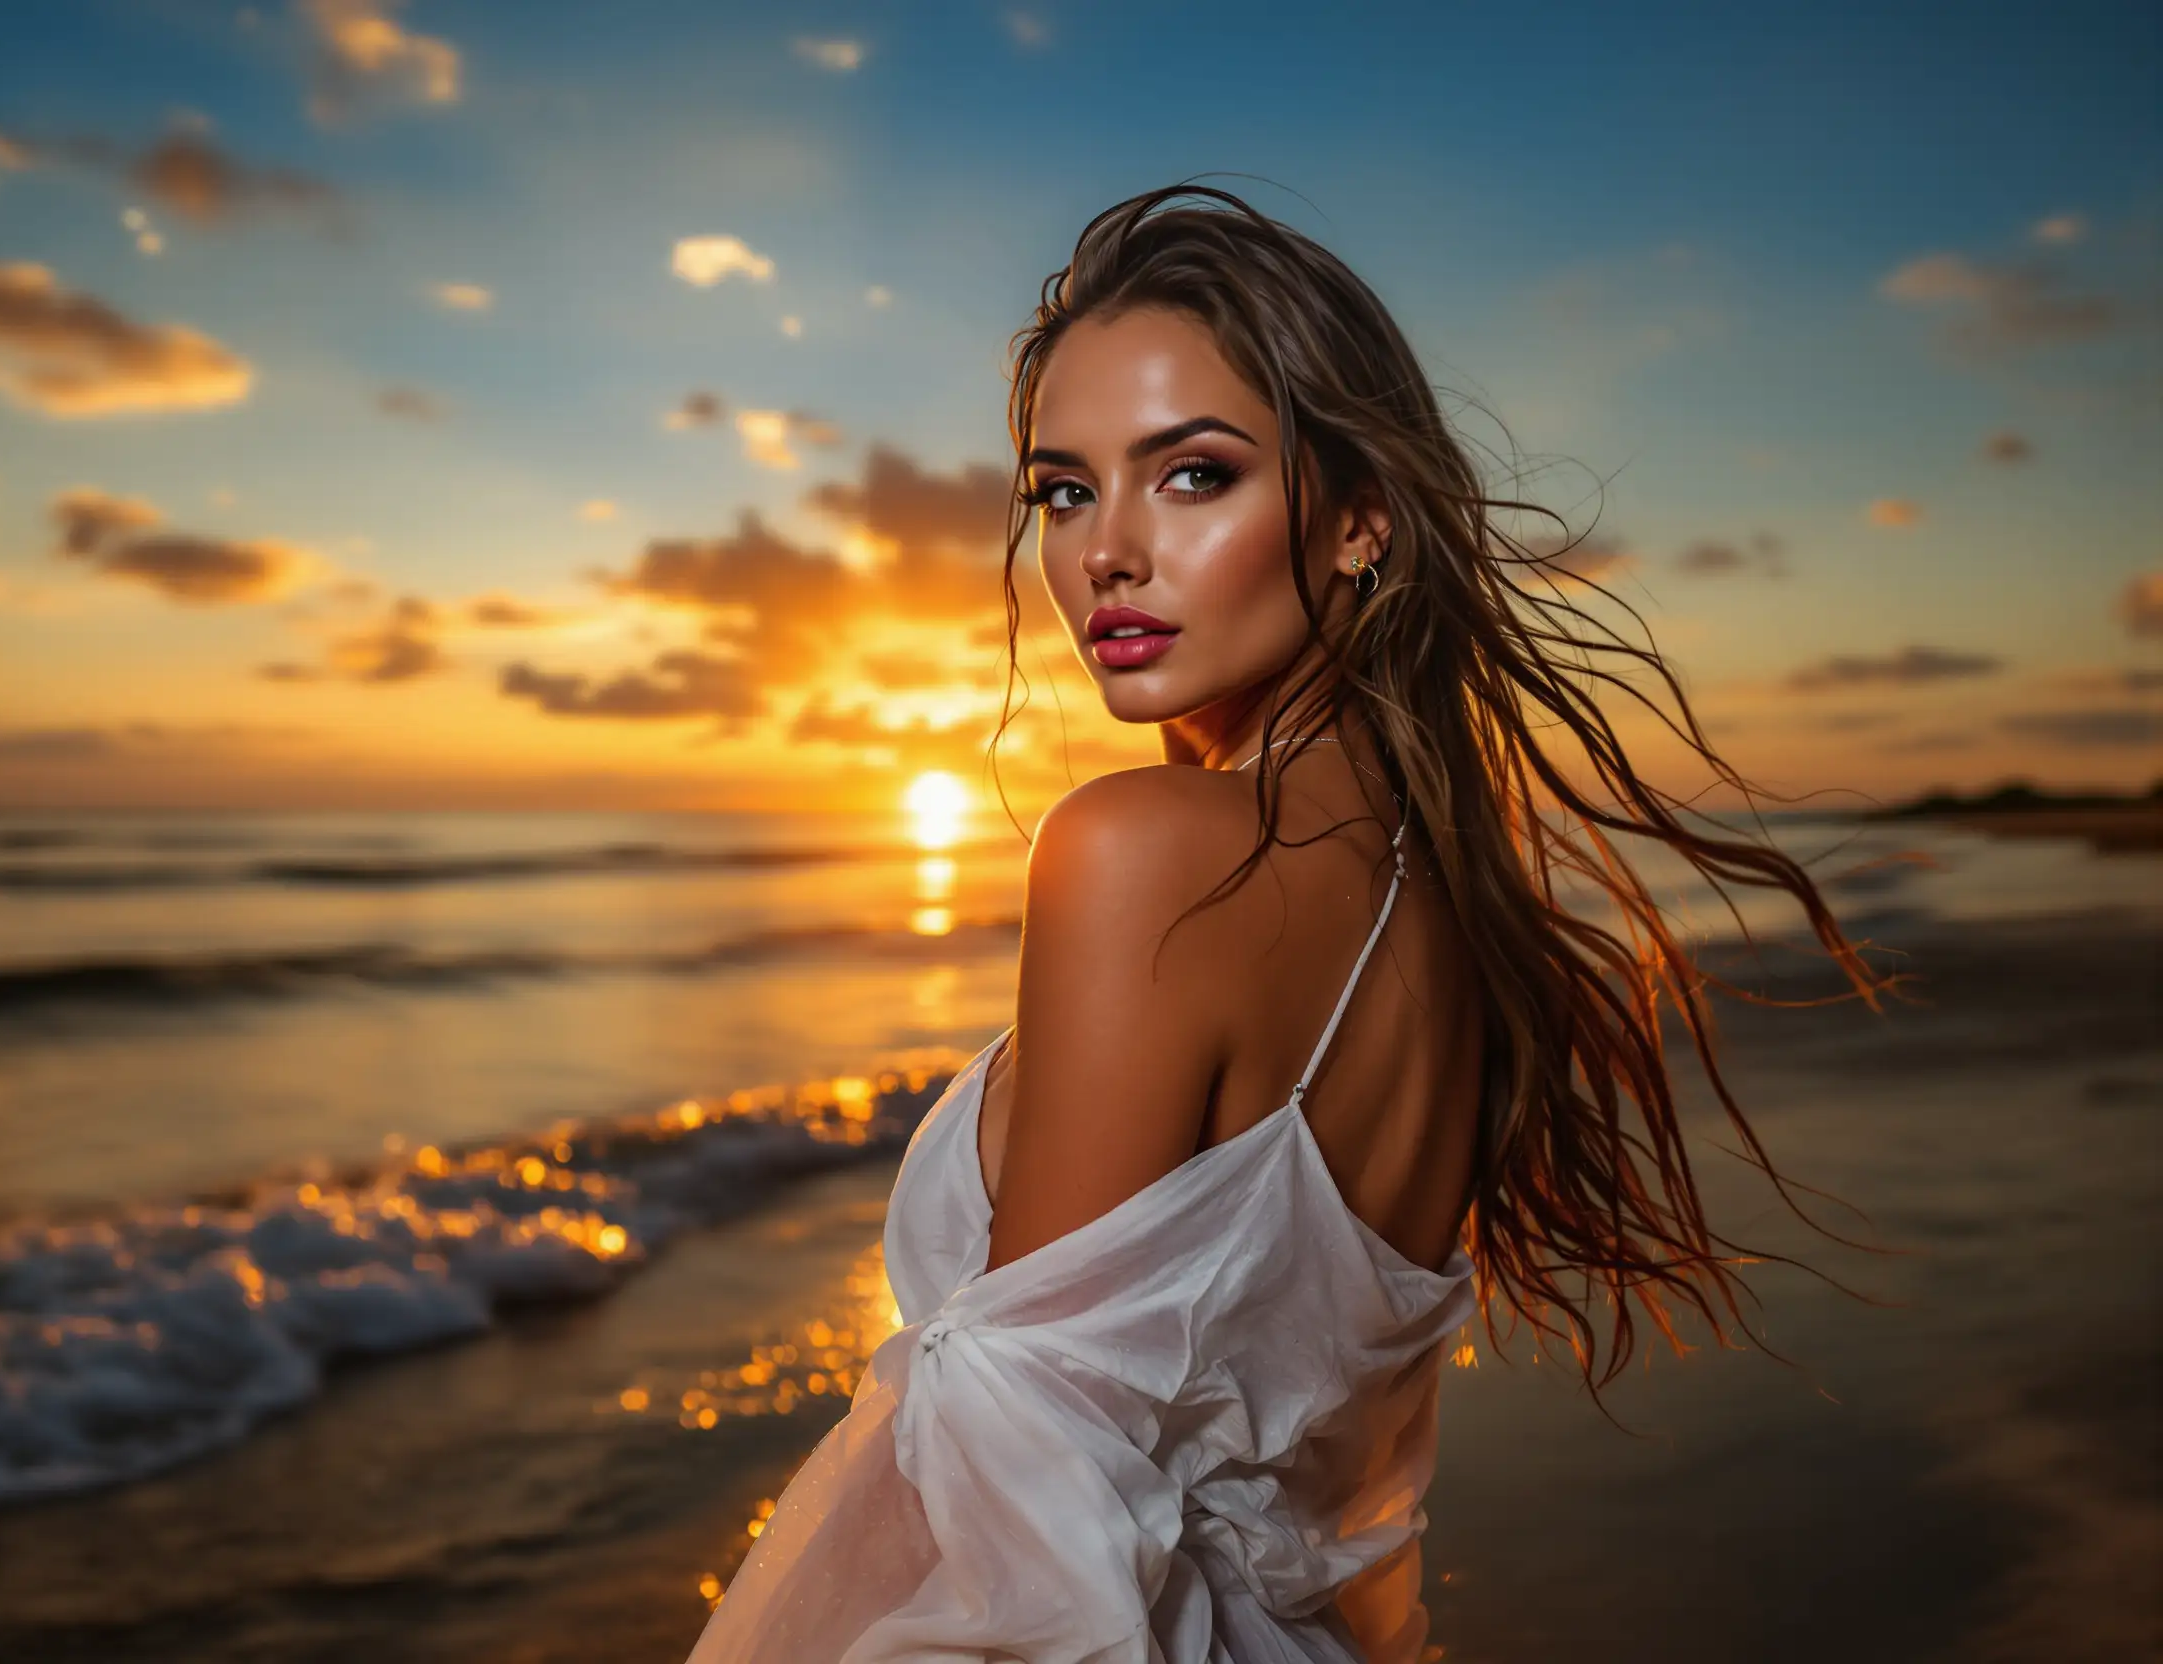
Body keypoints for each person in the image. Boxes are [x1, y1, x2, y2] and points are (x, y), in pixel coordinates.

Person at [685, 185, 1878, 1664]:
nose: (1106, 553)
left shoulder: (1143, 851)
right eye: (1065, 491)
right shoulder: (1445, 904)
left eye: (1191, 477)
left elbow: (1023, 1515)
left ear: (1361, 517)